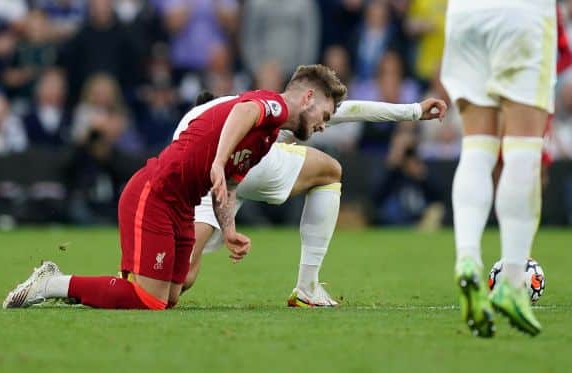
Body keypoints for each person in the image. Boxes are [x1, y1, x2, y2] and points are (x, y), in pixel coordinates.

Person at [2, 64, 348, 310]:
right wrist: (218, 158)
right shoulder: (271, 105)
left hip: (180, 206)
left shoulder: (267, 137)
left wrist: (228, 230)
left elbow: (227, 184)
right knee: (149, 300)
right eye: (326, 114)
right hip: (153, 194)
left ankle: (95, 288)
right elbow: (244, 111)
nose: (323, 125)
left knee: (172, 294)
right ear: (308, 97)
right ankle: (50, 283)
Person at [181, 95, 447, 307]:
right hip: (236, 166)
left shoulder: (192, 123)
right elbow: (346, 110)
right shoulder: (266, 106)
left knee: (182, 277)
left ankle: (142, 273)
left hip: (203, 170)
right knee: (330, 171)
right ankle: (307, 288)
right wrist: (413, 111)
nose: (321, 124)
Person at [440, 0, 557, 337]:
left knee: (477, 147)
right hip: (521, 13)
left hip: (464, 14)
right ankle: (513, 281)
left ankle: (467, 258)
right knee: (523, 151)